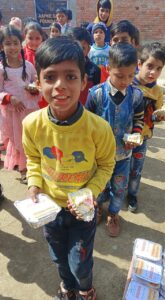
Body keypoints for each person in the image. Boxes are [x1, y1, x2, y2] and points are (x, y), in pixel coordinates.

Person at [22, 36, 116, 300]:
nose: (60, 86)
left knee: (80, 261)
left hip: (84, 210)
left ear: (84, 81)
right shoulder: (31, 124)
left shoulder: (98, 128)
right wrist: (33, 183)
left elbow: (107, 165)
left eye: (71, 77)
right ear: (38, 82)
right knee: (58, 257)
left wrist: (90, 193)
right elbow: (33, 158)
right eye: (50, 77)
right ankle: (67, 286)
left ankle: (85, 287)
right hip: (50, 208)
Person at [86, 43, 144, 237]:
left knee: (119, 188)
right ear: (108, 68)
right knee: (99, 186)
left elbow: (139, 119)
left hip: (123, 155)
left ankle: (113, 214)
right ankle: (99, 207)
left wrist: (135, 135)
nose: (125, 81)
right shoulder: (96, 94)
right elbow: (87, 123)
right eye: (120, 75)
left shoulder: (136, 95)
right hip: (99, 157)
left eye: (130, 75)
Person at [127, 42, 165, 212]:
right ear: (139, 64)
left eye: (159, 68)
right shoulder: (128, 83)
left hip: (142, 138)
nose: (153, 72)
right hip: (122, 136)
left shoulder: (158, 91)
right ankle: (111, 191)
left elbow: (155, 116)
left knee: (136, 168)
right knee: (116, 167)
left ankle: (132, 194)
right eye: (150, 66)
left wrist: (161, 116)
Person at [0, 25, 40, 183]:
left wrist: (35, 89)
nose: (12, 47)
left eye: (15, 42)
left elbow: (36, 83)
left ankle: (33, 166)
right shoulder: (2, 69)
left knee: (31, 139)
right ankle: (23, 169)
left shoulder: (28, 66)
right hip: (12, 113)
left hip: (29, 111)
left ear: (21, 44)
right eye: (8, 43)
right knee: (18, 141)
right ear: (2, 46)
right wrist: (10, 98)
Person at [68, 26, 101, 105]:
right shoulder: (61, 68)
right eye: (74, 47)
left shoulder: (95, 70)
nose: (77, 51)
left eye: (82, 48)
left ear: (88, 49)